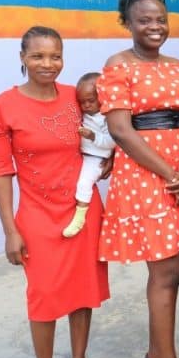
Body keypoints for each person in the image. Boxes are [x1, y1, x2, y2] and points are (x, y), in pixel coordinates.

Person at [98, 0, 179, 358]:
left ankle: (155, 350)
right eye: (144, 20)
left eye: (160, 19)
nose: (154, 27)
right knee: (165, 272)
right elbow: (120, 130)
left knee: (173, 268)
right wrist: (170, 173)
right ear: (126, 23)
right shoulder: (117, 67)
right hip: (147, 176)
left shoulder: (178, 67)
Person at [0, 26, 110, 358]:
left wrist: (110, 162)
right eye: (38, 56)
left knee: (83, 290)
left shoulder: (78, 96)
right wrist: (10, 229)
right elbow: (1, 172)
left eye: (55, 56)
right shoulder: (3, 106)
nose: (47, 63)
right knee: (43, 293)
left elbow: (111, 129)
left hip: (83, 211)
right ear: (22, 58)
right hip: (37, 217)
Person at [63, 72, 115, 238]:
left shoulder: (107, 117)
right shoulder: (86, 114)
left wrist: (93, 136)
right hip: (83, 155)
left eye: (90, 101)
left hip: (97, 159)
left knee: (84, 183)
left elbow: (113, 141)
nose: (86, 105)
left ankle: (79, 217)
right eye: (82, 102)